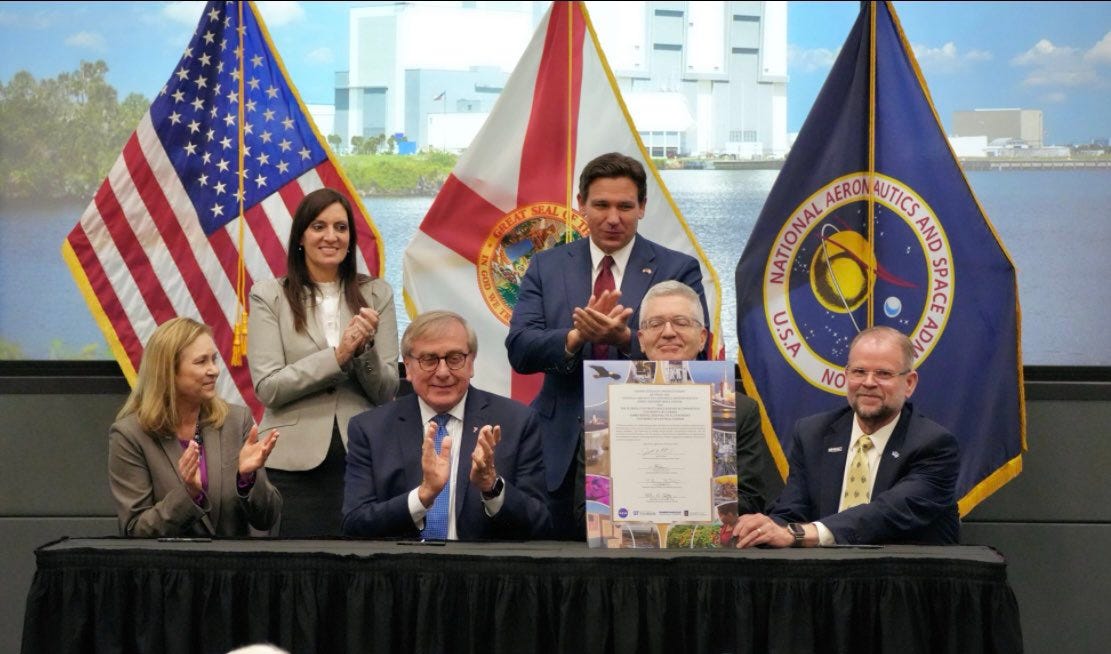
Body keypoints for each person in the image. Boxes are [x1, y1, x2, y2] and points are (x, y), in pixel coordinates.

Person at [506, 152, 709, 540]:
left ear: (643, 207)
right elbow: (519, 349)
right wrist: (574, 338)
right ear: (580, 204)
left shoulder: (677, 268)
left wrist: (627, 340)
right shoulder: (546, 267)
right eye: (600, 205)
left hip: (647, 447)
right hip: (560, 447)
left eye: (624, 206)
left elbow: (696, 349)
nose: (613, 217)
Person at [248, 187, 400, 537]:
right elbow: (268, 387)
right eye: (319, 226)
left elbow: (387, 390)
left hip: (363, 459)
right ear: (301, 236)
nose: (331, 236)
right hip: (291, 463)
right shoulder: (269, 295)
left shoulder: (378, 293)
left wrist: (363, 353)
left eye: (341, 228)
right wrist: (337, 357)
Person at [733, 326, 960, 548]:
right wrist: (765, 528)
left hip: (903, 578)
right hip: (827, 580)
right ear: (846, 376)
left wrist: (803, 533)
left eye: (883, 374)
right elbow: (791, 511)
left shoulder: (934, 445)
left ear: (909, 383)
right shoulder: (813, 434)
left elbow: (887, 513)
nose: (869, 383)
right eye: (859, 372)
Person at [343, 310, 551, 540]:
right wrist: (422, 497)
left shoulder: (516, 422)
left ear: (470, 363)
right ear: (408, 367)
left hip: (483, 571)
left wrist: (492, 487)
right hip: (401, 571)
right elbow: (355, 524)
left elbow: (540, 523)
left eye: (454, 359)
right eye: (429, 360)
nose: (442, 373)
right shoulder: (370, 430)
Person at [108, 317, 281, 537]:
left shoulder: (236, 421)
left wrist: (247, 480)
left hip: (233, 568)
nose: (214, 370)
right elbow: (135, 530)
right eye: (201, 362)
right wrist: (188, 495)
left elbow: (267, 518)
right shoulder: (130, 435)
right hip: (171, 569)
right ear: (168, 371)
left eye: (214, 359)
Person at [636, 280, 771, 516]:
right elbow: (584, 508)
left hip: (707, 546)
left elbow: (751, 501)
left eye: (681, 322)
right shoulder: (606, 405)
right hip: (625, 542)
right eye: (655, 323)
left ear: (702, 338)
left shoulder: (739, 411)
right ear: (640, 339)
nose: (668, 332)